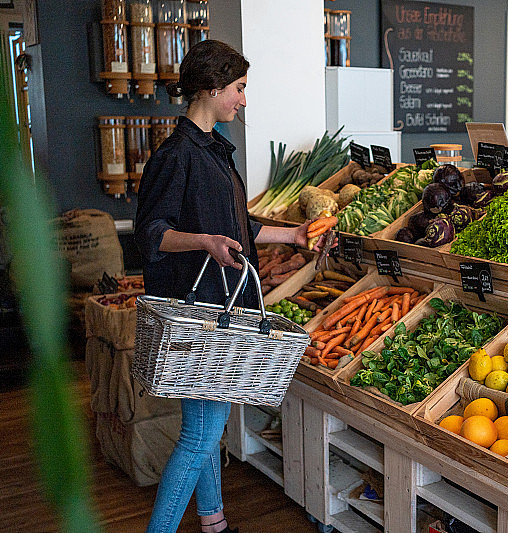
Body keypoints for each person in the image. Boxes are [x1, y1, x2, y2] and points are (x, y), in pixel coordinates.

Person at [135, 40, 324, 533]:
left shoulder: (214, 149)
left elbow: (241, 226)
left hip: (222, 310)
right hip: (198, 316)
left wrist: (295, 235)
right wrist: (205, 243)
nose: (243, 99)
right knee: (200, 434)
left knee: (206, 428)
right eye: (239, 89)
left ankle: (214, 522)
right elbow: (152, 232)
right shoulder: (177, 156)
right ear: (212, 88)